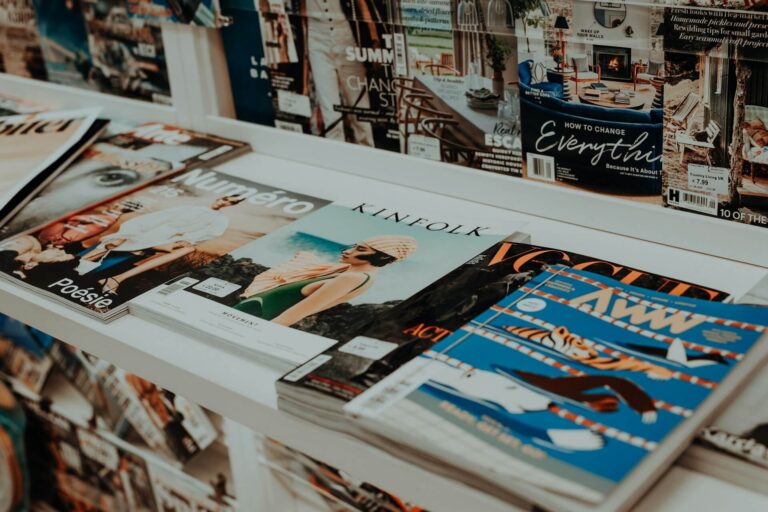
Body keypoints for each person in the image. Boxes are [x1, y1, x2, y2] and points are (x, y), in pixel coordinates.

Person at [76, 195, 245, 293]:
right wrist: (126, 234)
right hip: (148, 235)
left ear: (231, 205)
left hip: (168, 240)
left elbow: (213, 232)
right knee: (112, 247)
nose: (223, 202)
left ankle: (115, 279)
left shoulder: (220, 219)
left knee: (189, 248)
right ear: (219, 197)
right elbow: (152, 219)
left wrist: (188, 238)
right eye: (224, 198)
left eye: (229, 202)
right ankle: (87, 264)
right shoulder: (189, 208)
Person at [235, 235, 417, 327]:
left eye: (359, 249)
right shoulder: (354, 274)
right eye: (353, 246)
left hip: (256, 315)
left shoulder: (351, 278)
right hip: (255, 310)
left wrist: (258, 333)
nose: (348, 251)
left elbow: (297, 313)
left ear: (382, 257)